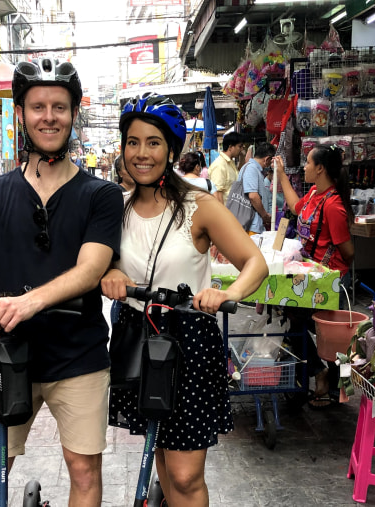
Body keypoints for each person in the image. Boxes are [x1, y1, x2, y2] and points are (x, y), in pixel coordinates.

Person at [0, 58, 123, 507]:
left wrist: (29, 302)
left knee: (83, 471)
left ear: (74, 113)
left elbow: (90, 268)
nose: (49, 116)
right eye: (38, 106)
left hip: (79, 357)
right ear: (20, 113)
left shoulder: (101, 195)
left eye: (59, 106)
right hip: (8, 356)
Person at [100, 93, 268, 507]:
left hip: (189, 342)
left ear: (172, 150)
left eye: (153, 142)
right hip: (137, 336)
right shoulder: (113, 209)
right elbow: (92, 263)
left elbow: (255, 263)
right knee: (159, 453)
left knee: (186, 473)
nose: (142, 153)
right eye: (133, 142)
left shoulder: (200, 206)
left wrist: (227, 292)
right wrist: (110, 272)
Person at [274, 145, 355, 408]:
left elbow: (348, 251)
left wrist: (332, 269)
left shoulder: (333, 205)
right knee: (300, 325)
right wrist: (282, 174)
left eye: (308, 163)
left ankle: (333, 388)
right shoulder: (312, 195)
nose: (305, 167)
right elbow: (295, 207)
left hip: (329, 280)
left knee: (329, 336)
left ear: (320, 168)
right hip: (310, 275)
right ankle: (321, 376)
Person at [238, 142, 277, 233]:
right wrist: (264, 215)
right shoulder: (251, 169)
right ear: (267, 159)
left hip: (252, 224)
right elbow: (253, 196)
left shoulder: (252, 169)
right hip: (250, 225)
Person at [208, 132, 244, 205]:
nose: (241, 149)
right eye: (240, 146)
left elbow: (239, 174)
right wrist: (224, 214)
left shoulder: (230, 163)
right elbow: (217, 193)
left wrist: (242, 158)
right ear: (231, 147)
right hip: (226, 211)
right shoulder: (220, 165)